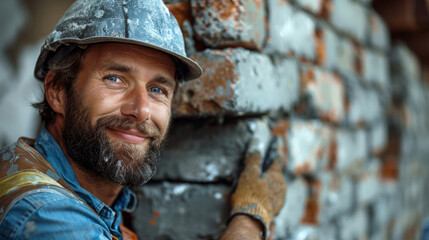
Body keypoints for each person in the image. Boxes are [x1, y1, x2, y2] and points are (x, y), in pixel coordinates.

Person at [0, 0, 286, 239]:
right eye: (115, 79)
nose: (142, 109)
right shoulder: (44, 216)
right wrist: (250, 221)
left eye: (157, 89)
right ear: (57, 91)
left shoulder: (84, 197)